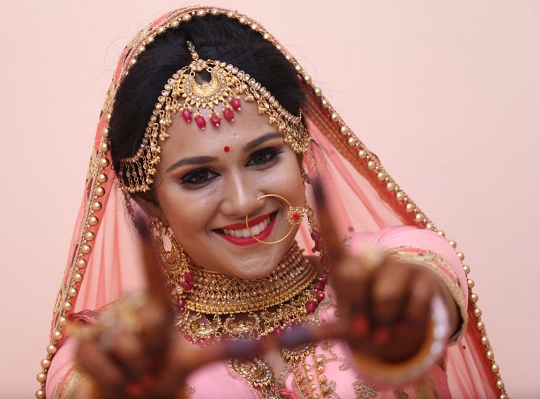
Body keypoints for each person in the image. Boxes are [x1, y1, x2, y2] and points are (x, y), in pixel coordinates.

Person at [36, 6, 506, 399]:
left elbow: (423, 290)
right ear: (149, 201)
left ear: (301, 150)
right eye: (198, 176)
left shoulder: (391, 273)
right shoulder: (113, 355)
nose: (243, 202)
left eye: (263, 157)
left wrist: (402, 313)